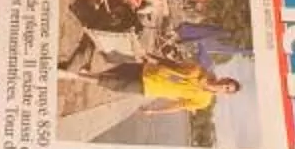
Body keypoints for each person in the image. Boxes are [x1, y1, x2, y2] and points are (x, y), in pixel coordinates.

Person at [57, 35, 242, 118]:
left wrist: (154, 111)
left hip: (147, 87)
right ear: (224, 78)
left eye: (227, 89)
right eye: (227, 83)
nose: (224, 86)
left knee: (109, 83)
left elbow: (177, 107)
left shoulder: (203, 101)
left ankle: (71, 75)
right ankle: (80, 72)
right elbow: (171, 64)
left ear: (224, 93)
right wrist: (149, 56)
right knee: (113, 70)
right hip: (145, 69)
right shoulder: (200, 69)